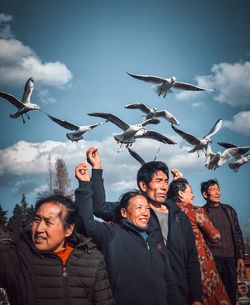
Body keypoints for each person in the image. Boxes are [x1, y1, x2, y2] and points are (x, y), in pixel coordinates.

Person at [84, 146, 202, 305]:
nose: (164, 186)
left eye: (166, 181)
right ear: (143, 186)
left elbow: (192, 260)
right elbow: (99, 208)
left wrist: (196, 297)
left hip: (179, 296)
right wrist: (97, 168)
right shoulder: (133, 211)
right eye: (158, 181)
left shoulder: (180, 217)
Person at [75, 160, 179, 305]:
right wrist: (85, 184)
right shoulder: (112, 234)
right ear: (124, 212)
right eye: (139, 208)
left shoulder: (156, 235)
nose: (145, 213)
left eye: (147, 208)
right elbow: (86, 223)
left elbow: (168, 278)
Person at [0, 194, 113, 305]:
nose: (39, 229)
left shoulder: (92, 259)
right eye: (37, 220)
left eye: (48, 222)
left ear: (68, 229)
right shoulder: (15, 255)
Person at [168, 176, 231, 305]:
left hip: (177, 262)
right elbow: (215, 236)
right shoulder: (194, 210)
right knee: (210, 295)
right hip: (200, 262)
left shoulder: (168, 211)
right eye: (190, 192)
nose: (193, 196)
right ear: (180, 194)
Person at [201, 179, 245, 305]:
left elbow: (237, 233)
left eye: (218, 189)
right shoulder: (202, 213)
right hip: (213, 261)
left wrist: (240, 257)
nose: (217, 192)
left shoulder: (229, 210)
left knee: (231, 293)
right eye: (213, 189)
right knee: (214, 295)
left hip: (230, 259)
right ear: (205, 194)